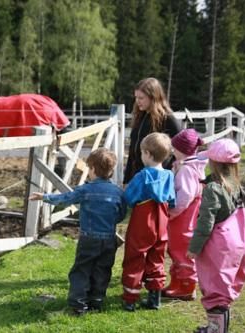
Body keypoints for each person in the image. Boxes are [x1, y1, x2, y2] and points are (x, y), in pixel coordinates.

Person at [29, 148, 127, 316]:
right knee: (102, 269)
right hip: (109, 238)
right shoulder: (118, 192)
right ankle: (96, 301)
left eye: (89, 168)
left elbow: (65, 199)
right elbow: (122, 213)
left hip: (89, 238)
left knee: (81, 270)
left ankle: (78, 305)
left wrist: (45, 197)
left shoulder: (85, 190)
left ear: (93, 169)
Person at [187, 138, 245, 333]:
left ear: (213, 163)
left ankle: (216, 330)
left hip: (219, 246)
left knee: (214, 286)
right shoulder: (235, 185)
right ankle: (217, 327)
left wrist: (194, 248)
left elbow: (206, 222)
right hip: (237, 241)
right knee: (223, 288)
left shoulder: (213, 189)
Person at [121, 132, 176, 311]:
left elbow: (129, 198)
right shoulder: (169, 175)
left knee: (135, 257)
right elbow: (172, 200)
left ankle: (130, 299)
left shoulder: (142, 176)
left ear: (148, 154)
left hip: (143, 221)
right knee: (156, 257)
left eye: (142, 153)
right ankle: (155, 298)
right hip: (162, 221)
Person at [163, 129, 207, 301]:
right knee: (175, 249)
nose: (173, 151)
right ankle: (177, 282)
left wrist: (171, 212)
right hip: (183, 219)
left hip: (182, 219)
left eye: (174, 148)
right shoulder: (186, 166)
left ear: (181, 149)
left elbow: (185, 197)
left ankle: (187, 287)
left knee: (181, 251)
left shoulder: (187, 170)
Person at [124, 77, 182, 184]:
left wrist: (168, 166)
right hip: (137, 178)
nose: (137, 101)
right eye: (136, 97)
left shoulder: (167, 118)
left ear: (153, 97)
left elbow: (183, 145)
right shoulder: (139, 116)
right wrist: (126, 180)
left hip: (157, 181)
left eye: (141, 98)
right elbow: (132, 151)